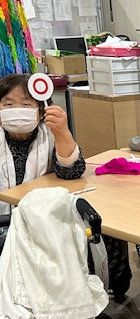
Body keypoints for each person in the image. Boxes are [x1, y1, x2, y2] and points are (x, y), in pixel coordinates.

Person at [0, 73, 86, 217]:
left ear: (40, 112)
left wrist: (62, 132)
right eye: (8, 104)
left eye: (26, 105)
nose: (17, 109)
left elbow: (72, 172)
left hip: (42, 218)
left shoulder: (49, 136)